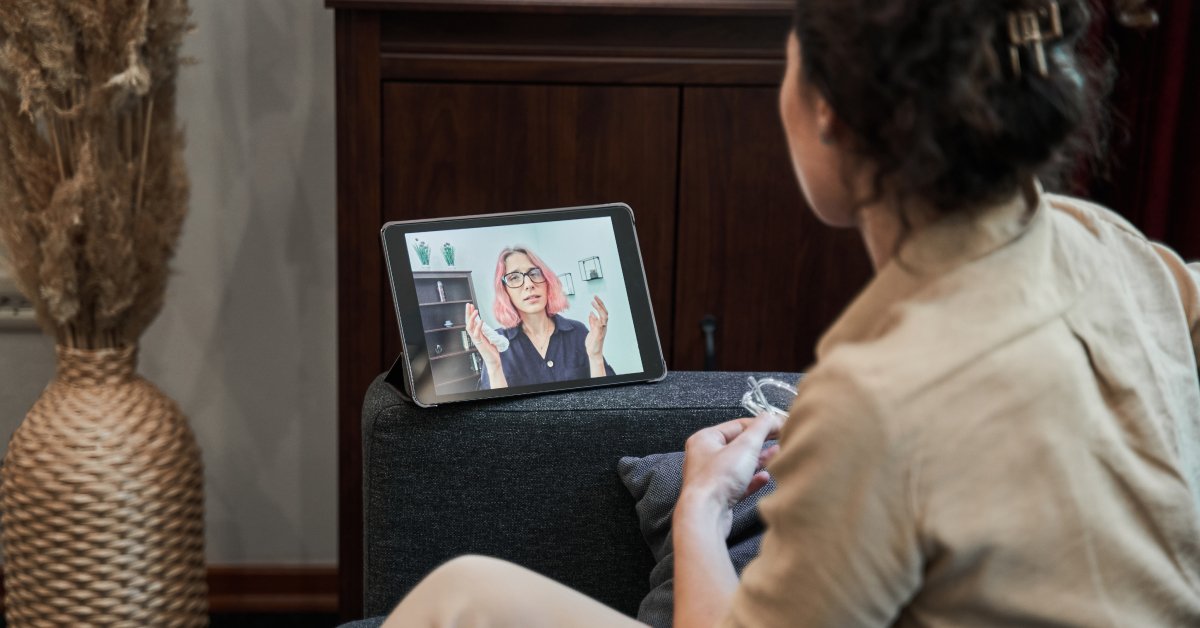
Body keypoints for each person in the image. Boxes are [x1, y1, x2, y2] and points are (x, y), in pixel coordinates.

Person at [384, 0, 1200, 626]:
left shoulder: (878, 397)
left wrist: (701, 501)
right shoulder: (1112, 247)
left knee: (460, 596)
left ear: (827, 116)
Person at [467, 245, 615, 390]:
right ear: (505, 291)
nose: (529, 284)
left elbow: (607, 400)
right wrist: (494, 367)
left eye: (535, 273)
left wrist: (595, 356)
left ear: (547, 282)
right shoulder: (497, 343)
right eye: (514, 277)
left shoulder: (578, 331)